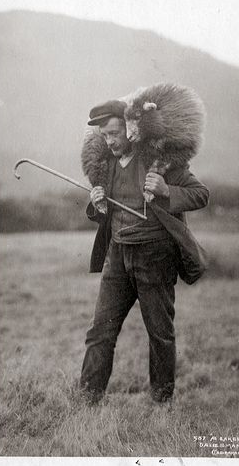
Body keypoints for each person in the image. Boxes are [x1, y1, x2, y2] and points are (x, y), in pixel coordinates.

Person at [79, 100, 209, 404]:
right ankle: (87, 401)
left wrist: (166, 190)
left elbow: (201, 194)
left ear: (130, 127)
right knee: (100, 331)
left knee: (160, 334)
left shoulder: (158, 160)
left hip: (155, 257)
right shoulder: (106, 165)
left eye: (114, 133)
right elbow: (107, 214)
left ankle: (161, 405)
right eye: (104, 135)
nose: (110, 141)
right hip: (117, 257)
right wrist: (99, 206)